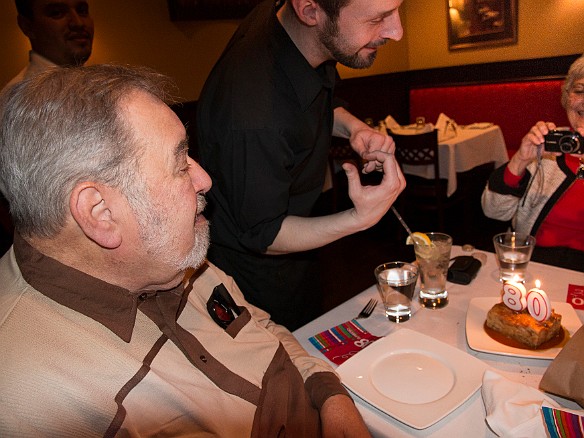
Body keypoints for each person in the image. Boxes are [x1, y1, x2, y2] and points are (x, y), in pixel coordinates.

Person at [0, 65, 370, 437]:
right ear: (101, 213)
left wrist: (329, 394)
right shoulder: (34, 401)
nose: (204, 179)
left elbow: (260, 327)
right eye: (179, 163)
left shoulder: (166, 251)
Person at [197, 0, 406, 330]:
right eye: (378, 19)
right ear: (310, 11)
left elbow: (309, 97)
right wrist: (359, 218)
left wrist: (354, 128)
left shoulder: (290, 25)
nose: (397, 32)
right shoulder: (254, 109)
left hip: (298, 249)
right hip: (255, 275)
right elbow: (264, 235)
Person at [481, 55, 584, 271]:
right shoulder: (548, 147)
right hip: (532, 262)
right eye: (580, 90)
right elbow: (493, 211)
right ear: (567, 97)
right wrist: (521, 158)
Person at [1, 0, 94, 92]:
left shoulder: (95, 84)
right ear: (27, 26)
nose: (78, 23)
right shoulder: (18, 99)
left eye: (82, 11)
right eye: (57, 13)